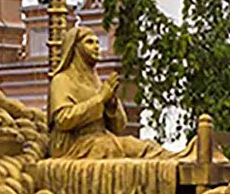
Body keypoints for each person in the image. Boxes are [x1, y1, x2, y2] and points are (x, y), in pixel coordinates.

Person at [46, 26, 172, 161]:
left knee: (143, 147)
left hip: (100, 140)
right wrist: (100, 99)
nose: (96, 47)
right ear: (75, 48)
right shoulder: (62, 80)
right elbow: (63, 120)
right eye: (89, 42)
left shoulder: (95, 81)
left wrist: (111, 103)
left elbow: (119, 127)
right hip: (74, 145)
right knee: (110, 148)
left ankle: (182, 159)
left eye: (97, 42)